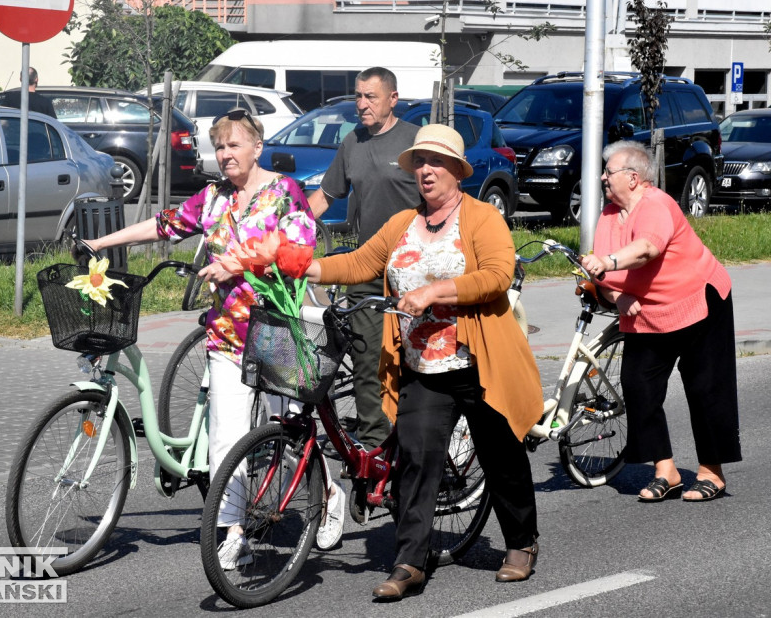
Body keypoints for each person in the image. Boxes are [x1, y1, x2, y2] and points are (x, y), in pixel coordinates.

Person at [80, 108, 347, 566]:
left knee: (286, 437)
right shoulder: (213, 199)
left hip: (275, 331)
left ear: (257, 148)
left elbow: (299, 254)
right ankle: (234, 532)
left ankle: (329, 494)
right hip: (226, 334)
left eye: (234, 145)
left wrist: (239, 263)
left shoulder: (284, 194)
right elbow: (163, 225)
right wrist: (101, 245)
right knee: (227, 438)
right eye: (220, 146)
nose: (226, 154)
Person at [306, 124, 544, 600]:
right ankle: (410, 561)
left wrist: (435, 291)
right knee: (413, 461)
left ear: (457, 170)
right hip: (422, 366)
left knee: (502, 456)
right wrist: (301, 264)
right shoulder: (401, 224)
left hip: (478, 360)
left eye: (436, 163)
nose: (426, 171)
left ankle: (521, 542)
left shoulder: (481, 218)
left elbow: (497, 275)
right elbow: (357, 264)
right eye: (420, 163)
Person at [579, 140, 742, 503]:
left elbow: (647, 248)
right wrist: (616, 295)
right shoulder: (607, 216)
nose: (603, 177)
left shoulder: (657, 204)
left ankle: (712, 472)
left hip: (697, 301)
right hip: (646, 312)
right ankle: (665, 469)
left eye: (609, 172)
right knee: (638, 385)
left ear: (634, 178)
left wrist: (607, 261)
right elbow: (599, 278)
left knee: (704, 387)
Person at [306, 67, 420, 452]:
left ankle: (426, 430)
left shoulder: (414, 142)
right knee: (366, 356)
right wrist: (288, 233)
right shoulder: (352, 142)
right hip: (366, 266)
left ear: (393, 98)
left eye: (371, 97)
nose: (362, 104)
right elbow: (324, 197)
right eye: (358, 96)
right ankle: (376, 443)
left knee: (417, 360)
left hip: (414, 268)